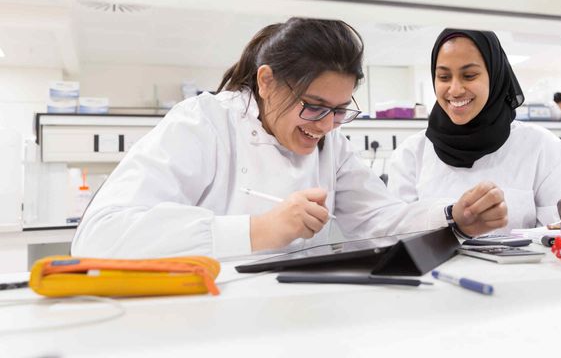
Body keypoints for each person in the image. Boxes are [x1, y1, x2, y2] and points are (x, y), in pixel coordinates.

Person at [71, 19, 507, 259]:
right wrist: (258, 230)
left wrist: (453, 216)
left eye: (339, 110)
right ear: (267, 81)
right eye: (314, 106)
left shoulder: (331, 145)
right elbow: (100, 236)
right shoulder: (204, 123)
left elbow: (380, 219)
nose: (325, 125)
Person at [387, 29, 561, 232]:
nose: (454, 89)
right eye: (444, 77)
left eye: (469, 75)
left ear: (495, 75)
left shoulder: (544, 149)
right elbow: (397, 236)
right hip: (435, 266)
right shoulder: (411, 154)